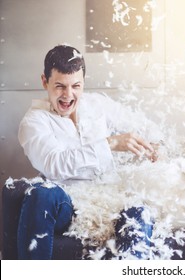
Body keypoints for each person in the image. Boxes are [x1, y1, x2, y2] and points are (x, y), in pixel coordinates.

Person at [17, 45, 160, 259]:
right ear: (44, 82)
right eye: (60, 86)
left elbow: (144, 126)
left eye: (76, 86)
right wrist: (109, 143)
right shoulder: (33, 122)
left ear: (83, 82)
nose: (68, 95)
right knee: (42, 192)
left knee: (140, 210)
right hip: (68, 201)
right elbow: (56, 165)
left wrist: (157, 144)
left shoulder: (97, 104)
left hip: (111, 196)